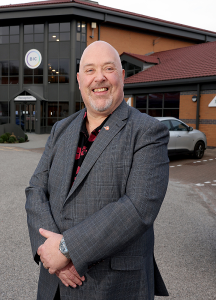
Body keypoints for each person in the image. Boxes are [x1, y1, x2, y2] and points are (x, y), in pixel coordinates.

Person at [25, 41, 169, 300]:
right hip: (54, 285)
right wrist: (49, 251)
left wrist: (67, 249)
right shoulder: (61, 129)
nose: (99, 78)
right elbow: (36, 189)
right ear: (79, 80)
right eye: (90, 70)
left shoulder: (147, 132)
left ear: (122, 76)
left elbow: (138, 209)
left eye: (108, 68)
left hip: (112, 287)